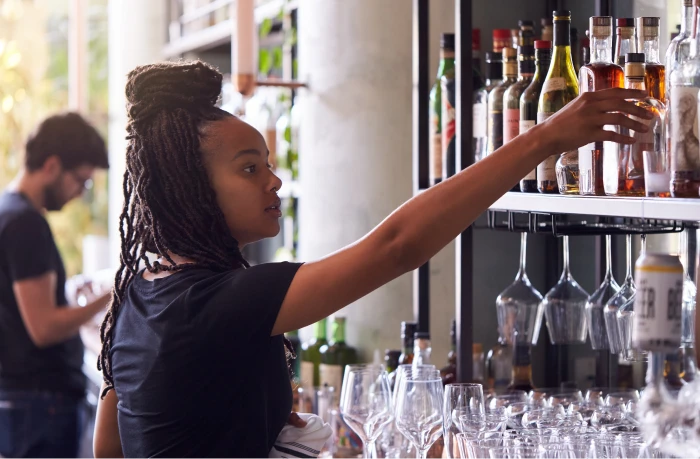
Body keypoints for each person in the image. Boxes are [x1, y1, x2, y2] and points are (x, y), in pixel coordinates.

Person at [92, 60, 652, 458]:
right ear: (188, 187)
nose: (274, 180)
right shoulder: (219, 302)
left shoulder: (143, 293)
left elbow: (109, 446)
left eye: (267, 162)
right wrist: (542, 140)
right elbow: (397, 246)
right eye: (248, 168)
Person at [0, 112, 113, 459]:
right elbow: (44, 328)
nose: (81, 193)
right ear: (51, 166)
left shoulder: (8, 210)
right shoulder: (26, 223)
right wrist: (113, 293)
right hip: (39, 405)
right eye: (82, 181)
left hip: (24, 402)